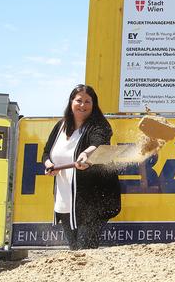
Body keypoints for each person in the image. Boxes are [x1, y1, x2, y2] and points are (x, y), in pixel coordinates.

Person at [43, 84, 121, 250]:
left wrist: (87, 153)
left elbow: (99, 143)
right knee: (75, 251)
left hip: (93, 201)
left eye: (88, 101)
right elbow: (46, 153)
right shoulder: (60, 126)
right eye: (79, 100)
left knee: (85, 251)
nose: (83, 105)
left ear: (94, 105)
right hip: (65, 201)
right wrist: (49, 164)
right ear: (71, 102)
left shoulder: (99, 124)